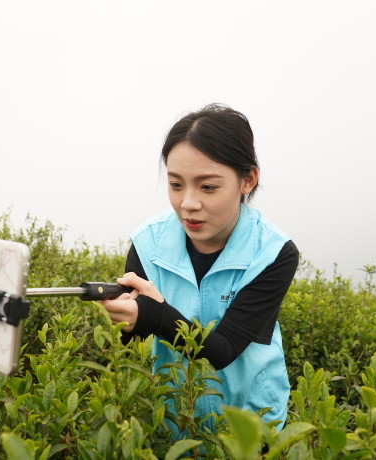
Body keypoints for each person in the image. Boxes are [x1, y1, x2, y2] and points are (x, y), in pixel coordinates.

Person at [100, 104, 299, 432]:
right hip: (173, 421)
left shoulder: (273, 253)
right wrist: (127, 320)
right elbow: (131, 346)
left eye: (208, 187)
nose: (188, 203)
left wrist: (154, 315)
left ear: (247, 180)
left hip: (249, 426)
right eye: (176, 185)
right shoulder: (148, 243)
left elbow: (223, 350)